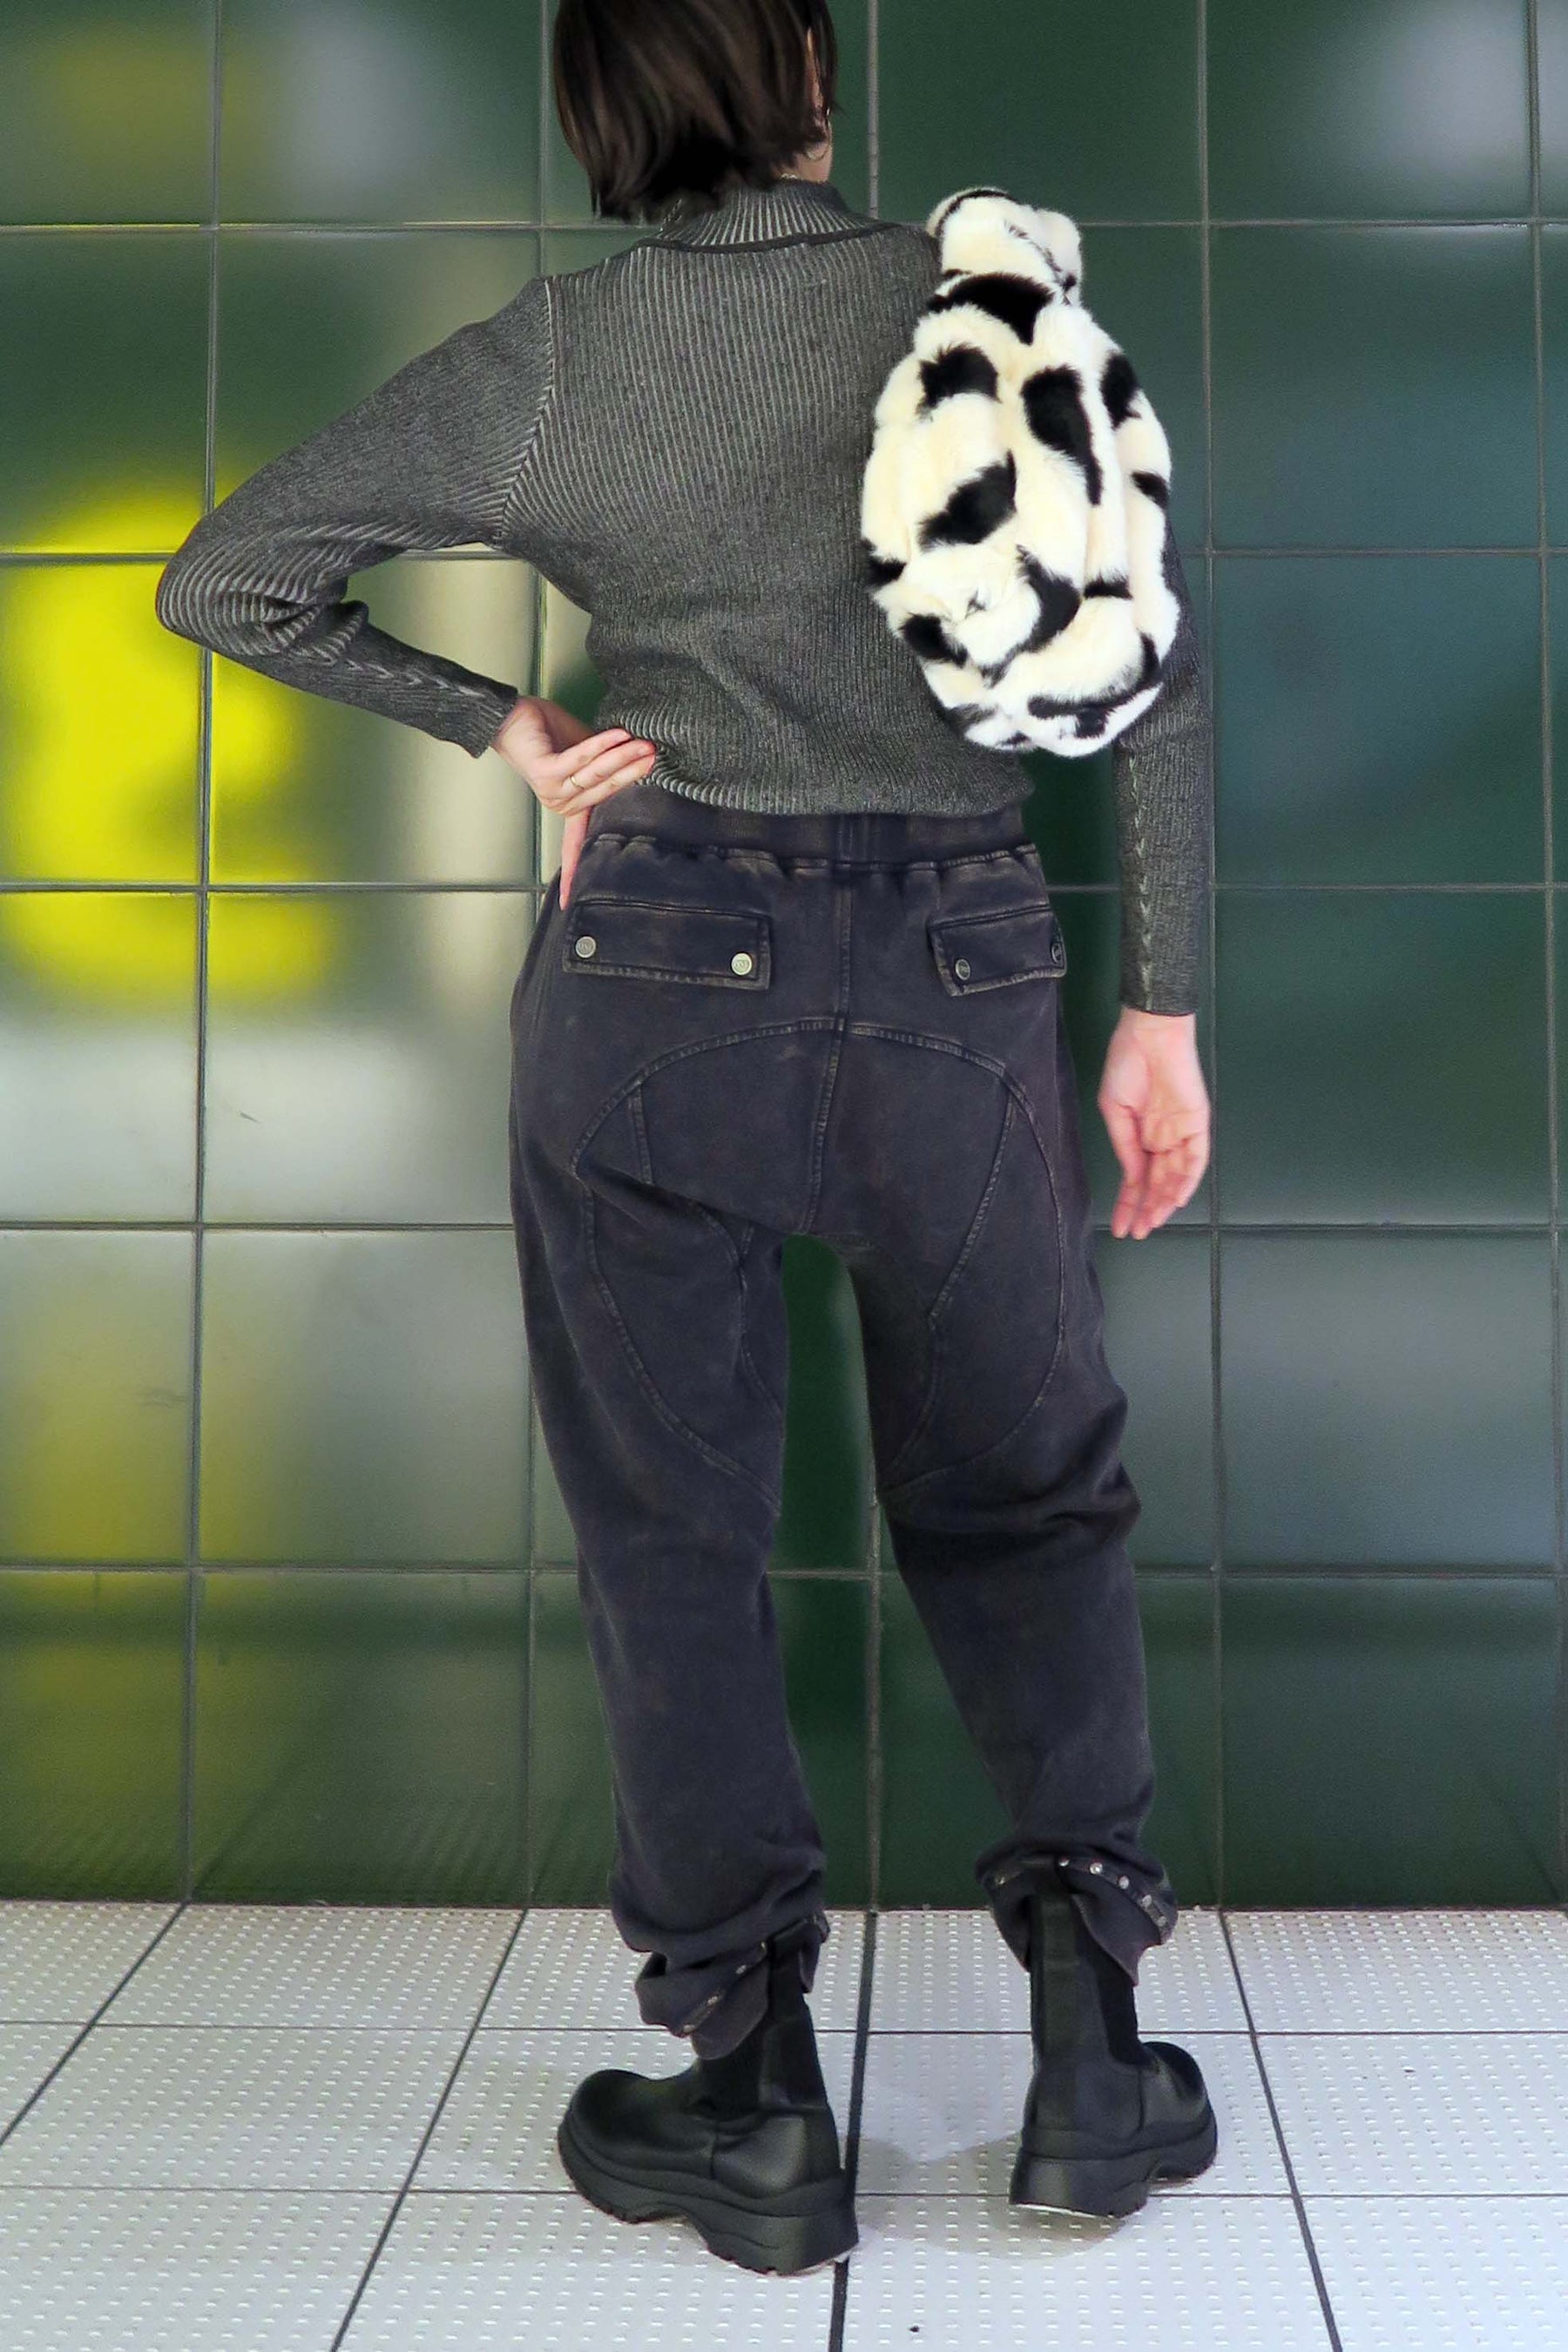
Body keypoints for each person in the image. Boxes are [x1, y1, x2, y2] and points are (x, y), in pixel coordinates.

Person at [156, 0, 1218, 2280]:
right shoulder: (981, 299)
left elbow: (225, 579)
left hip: (656, 971)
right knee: (1027, 1491)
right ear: (813, 75)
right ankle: (1093, 2060)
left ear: (604, 114)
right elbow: (1148, 668)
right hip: (957, 966)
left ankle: (750, 2099)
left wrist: (507, 725)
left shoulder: (552, 359)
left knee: (674, 1530)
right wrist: (1164, 1010)